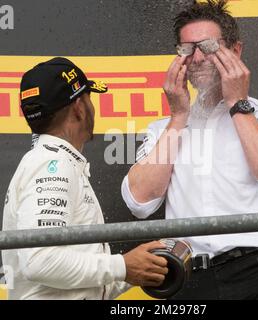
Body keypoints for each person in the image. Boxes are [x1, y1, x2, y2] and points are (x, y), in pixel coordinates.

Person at [121, 0, 258, 300]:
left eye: (207, 46)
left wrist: (238, 103)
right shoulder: (163, 129)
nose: (196, 58)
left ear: (235, 51)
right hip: (189, 278)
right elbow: (138, 201)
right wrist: (179, 118)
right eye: (186, 49)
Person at [2, 57, 168, 300]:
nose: (92, 107)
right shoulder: (53, 165)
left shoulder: (54, 161)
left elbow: (81, 286)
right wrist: (122, 266)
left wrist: (136, 269)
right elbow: (39, 261)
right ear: (79, 107)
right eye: (90, 97)